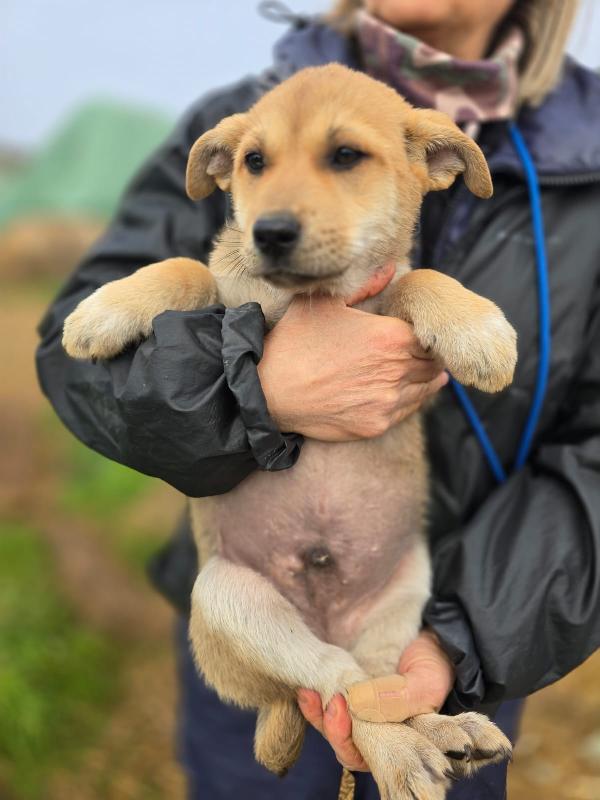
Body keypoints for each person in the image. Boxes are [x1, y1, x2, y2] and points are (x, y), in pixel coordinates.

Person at [36, 0, 600, 797]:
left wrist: (459, 644)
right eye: (258, 164)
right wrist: (257, 389)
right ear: (226, 164)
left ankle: (390, 711)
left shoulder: (586, 164)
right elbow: (77, 354)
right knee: (233, 622)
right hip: (256, 615)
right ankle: (334, 691)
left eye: (344, 155)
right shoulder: (239, 116)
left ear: (438, 162)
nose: (277, 210)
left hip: (445, 629)